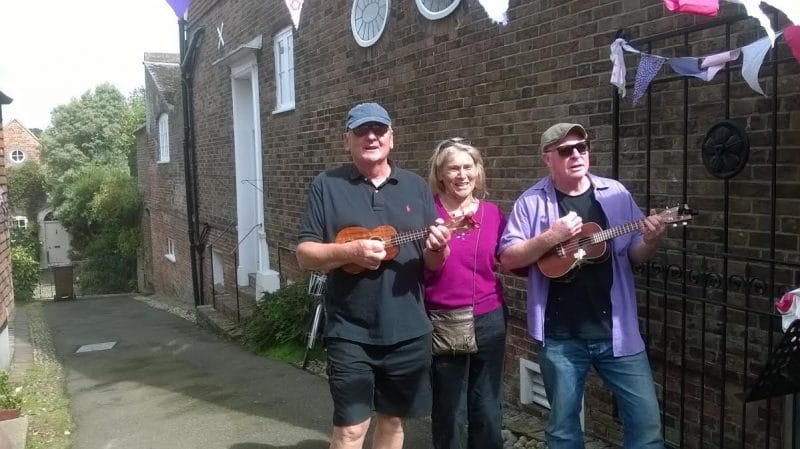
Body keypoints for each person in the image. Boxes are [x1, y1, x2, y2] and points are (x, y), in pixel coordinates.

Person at [498, 123, 666, 449]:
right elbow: (509, 258)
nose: (577, 154)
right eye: (566, 150)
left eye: (582, 147)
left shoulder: (615, 194)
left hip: (617, 333)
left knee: (647, 429)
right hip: (560, 337)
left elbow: (635, 254)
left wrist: (651, 240)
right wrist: (551, 237)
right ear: (548, 158)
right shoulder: (531, 202)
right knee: (563, 432)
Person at [296, 102, 451, 449]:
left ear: (391, 138)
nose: (371, 136)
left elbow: (433, 262)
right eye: (361, 131)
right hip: (350, 331)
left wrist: (439, 247)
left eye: (379, 130)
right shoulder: (327, 185)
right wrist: (350, 252)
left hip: (408, 330)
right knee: (351, 429)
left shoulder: (415, 186)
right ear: (346, 140)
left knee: (394, 422)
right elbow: (305, 255)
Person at [423, 138, 507, 449]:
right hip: (442, 319)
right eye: (453, 168)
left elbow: (510, 258)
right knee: (449, 411)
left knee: (487, 407)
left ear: (477, 172)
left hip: (489, 317)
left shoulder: (493, 213)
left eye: (468, 167)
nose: (462, 175)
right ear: (440, 174)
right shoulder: (425, 212)